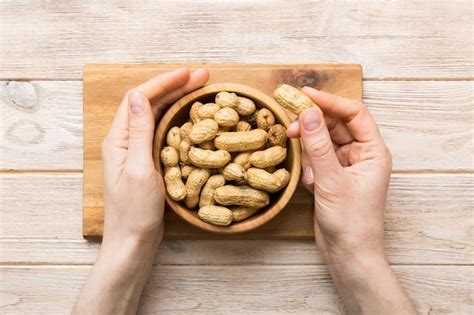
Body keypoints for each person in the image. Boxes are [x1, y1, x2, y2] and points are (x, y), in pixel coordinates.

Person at [73, 68, 416, 314]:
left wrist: (128, 240)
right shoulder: (218, 153)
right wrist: (358, 255)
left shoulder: (234, 150)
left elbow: (227, 160)